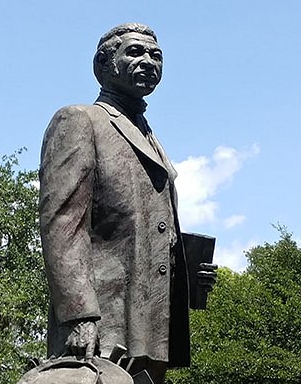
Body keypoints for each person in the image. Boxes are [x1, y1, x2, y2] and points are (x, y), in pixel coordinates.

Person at [39, 23, 215, 384]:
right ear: (103, 64)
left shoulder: (151, 137)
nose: (148, 61)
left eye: (156, 55)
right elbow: (62, 223)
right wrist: (78, 315)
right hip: (104, 324)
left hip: (152, 325)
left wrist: (189, 275)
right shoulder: (79, 120)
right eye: (135, 52)